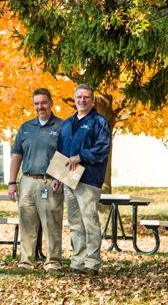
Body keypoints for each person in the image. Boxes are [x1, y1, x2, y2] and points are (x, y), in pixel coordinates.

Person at [55, 83, 111, 275]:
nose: (82, 100)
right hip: (69, 178)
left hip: (88, 179)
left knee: (90, 222)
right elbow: (61, 151)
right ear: (74, 99)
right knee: (75, 223)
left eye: (86, 97)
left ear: (92, 99)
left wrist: (81, 156)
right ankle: (78, 261)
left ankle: (92, 263)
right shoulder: (67, 124)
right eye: (79, 97)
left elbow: (102, 149)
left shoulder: (99, 122)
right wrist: (58, 176)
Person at [8, 88, 64, 271]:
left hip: (50, 181)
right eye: (37, 103)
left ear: (51, 103)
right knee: (27, 222)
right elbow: (16, 155)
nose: (40, 106)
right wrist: (12, 182)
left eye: (44, 102)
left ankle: (53, 261)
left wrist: (59, 177)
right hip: (27, 182)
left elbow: (67, 154)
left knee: (51, 223)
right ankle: (26, 261)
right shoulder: (26, 128)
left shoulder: (62, 127)